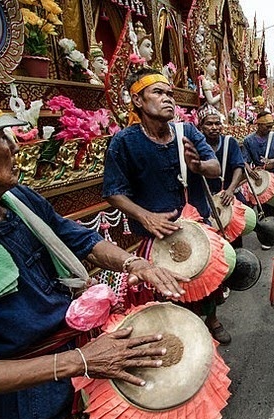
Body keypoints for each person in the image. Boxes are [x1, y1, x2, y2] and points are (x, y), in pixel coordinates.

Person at [0, 71, 189, 419]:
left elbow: (82, 239)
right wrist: (78, 361)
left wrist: (135, 265)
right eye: (1, 137)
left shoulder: (18, 200)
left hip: (80, 364)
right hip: (31, 399)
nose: (16, 144)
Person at [102, 68, 232, 344]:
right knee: (166, 295)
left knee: (207, 286)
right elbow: (113, 192)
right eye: (158, 93)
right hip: (156, 238)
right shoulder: (123, 142)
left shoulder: (187, 132)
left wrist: (197, 165)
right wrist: (145, 216)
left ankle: (212, 319)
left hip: (196, 230)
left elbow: (215, 167)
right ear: (138, 101)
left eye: (170, 94)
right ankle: (181, 335)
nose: (168, 99)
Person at [241, 110, 274, 248]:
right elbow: (244, 160)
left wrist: (271, 162)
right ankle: (268, 235)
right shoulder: (248, 140)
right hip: (259, 177)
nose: (270, 129)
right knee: (264, 206)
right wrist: (250, 170)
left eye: (271, 126)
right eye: (267, 126)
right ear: (258, 124)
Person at [198, 105, 246, 246]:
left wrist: (231, 190)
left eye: (217, 123)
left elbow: (239, 166)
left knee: (235, 235)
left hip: (228, 194)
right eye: (209, 124)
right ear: (201, 126)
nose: (214, 127)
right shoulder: (197, 145)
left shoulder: (229, 142)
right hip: (206, 199)